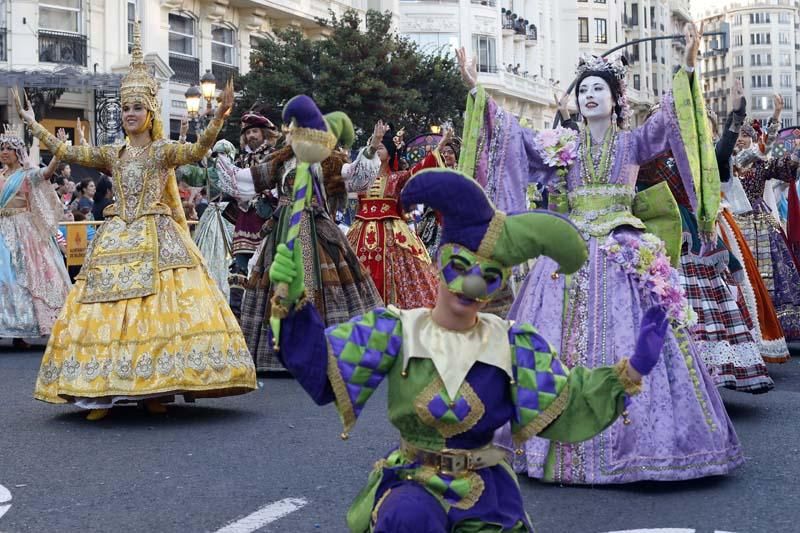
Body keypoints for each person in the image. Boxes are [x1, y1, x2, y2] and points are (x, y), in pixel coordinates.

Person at [270, 164, 670, 532]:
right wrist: (292, 308)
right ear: (440, 259)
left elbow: (564, 404)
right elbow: (324, 370)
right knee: (407, 517)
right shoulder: (395, 330)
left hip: (484, 489)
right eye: (461, 267)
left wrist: (632, 369)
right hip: (414, 481)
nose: (474, 285)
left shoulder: (513, 345)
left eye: (490, 276)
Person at [458, 23, 743, 483]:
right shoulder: (563, 146)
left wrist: (688, 66)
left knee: (641, 335)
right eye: (585, 89)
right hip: (567, 253)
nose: (590, 95)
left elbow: (672, 120)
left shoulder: (632, 142)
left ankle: (640, 448)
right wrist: (478, 90)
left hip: (624, 248)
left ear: (615, 100)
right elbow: (513, 135)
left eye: (599, 89)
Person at [22, 23, 256, 420]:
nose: (130, 114)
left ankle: (155, 388)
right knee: (103, 308)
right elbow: (68, 151)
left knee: (160, 308)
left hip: (158, 238)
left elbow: (199, 150)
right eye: (125, 108)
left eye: (137, 108)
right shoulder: (114, 153)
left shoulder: (163, 151)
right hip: (117, 240)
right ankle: (102, 391)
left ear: (150, 112)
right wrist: (32, 123)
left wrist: (218, 117)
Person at [214, 98, 382, 372]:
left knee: (323, 285)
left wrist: (372, 148)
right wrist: (220, 158)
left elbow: (355, 175)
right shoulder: (280, 162)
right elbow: (245, 179)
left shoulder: (327, 161)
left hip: (318, 231)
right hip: (283, 232)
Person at [634, 81, 772, 393]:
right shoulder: (641, 156)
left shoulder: (694, 156)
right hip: (653, 241)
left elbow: (723, 150)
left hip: (693, 240)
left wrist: (736, 116)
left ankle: (707, 374)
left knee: (699, 306)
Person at [343, 122, 440, 308]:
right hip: (360, 229)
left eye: (381, 147)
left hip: (390, 231)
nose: (378, 150)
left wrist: (441, 145)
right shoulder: (364, 177)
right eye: (376, 147)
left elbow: (418, 169)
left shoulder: (396, 178)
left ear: (389, 153)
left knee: (399, 272)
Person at [731, 109, 800, 342]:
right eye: (738, 133)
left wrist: (798, 150)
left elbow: (785, 166)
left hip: (762, 222)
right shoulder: (726, 163)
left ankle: (774, 325)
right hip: (734, 223)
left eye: (746, 134)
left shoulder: (761, 164)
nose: (741, 137)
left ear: (752, 139)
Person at [0, 125, 71, 348]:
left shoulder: (27, 175)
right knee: (5, 279)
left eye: (8, 148)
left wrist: (58, 152)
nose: (4, 152)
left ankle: (22, 333)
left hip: (23, 229)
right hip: (2, 227)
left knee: (25, 277)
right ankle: (6, 327)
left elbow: (47, 173)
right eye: (1, 148)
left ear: (18, 153)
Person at [224, 106, 281, 321]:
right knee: (238, 263)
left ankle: (266, 309)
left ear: (264, 133)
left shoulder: (275, 156)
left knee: (268, 262)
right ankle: (236, 312)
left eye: (254, 132)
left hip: (268, 217)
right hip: (245, 216)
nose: (250, 136)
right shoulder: (241, 160)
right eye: (247, 133)